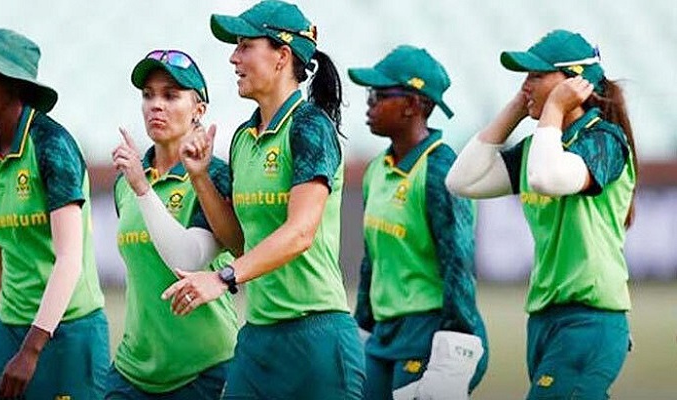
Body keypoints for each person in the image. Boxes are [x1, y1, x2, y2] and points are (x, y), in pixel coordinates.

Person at [157, 1, 366, 398]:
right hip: (258, 341)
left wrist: (222, 278)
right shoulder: (242, 137)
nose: (233, 58)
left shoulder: (310, 126)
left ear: (282, 56)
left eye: (245, 46)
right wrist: (200, 178)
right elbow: (242, 244)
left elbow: (300, 232)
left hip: (317, 338)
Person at [446, 29, 636, 399]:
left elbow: (546, 178)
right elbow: (461, 181)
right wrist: (517, 109)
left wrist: (552, 109)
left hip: (589, 319)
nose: (526, 85)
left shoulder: (604, 139)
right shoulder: (540, 146)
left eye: (536, 75)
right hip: (544, 321)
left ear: (574, 83)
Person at [0, 26, 108, 399]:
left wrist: (31, 350)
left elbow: (69, 259)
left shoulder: (53, 146)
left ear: (15, 83)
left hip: (71, 331)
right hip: (12, 328)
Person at [347, 45, 488, 400]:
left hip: (430, 329)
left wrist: (456, 338)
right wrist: (362, 325)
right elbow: (372, 261)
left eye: (379, 95)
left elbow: (457, 262)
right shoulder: (376, 170)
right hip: (384, 334)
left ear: (412, 104)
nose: (369, 104)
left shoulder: (441, 169)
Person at [108, 50, 239, 399]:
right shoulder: (125, 182)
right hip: (132, 370)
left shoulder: (216, 176)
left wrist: (142, 188)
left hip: (203, 371)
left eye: (170, 95)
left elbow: (187, 259)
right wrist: (138, 183)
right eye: (148, 95)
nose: (156, 105)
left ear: (199, 110)